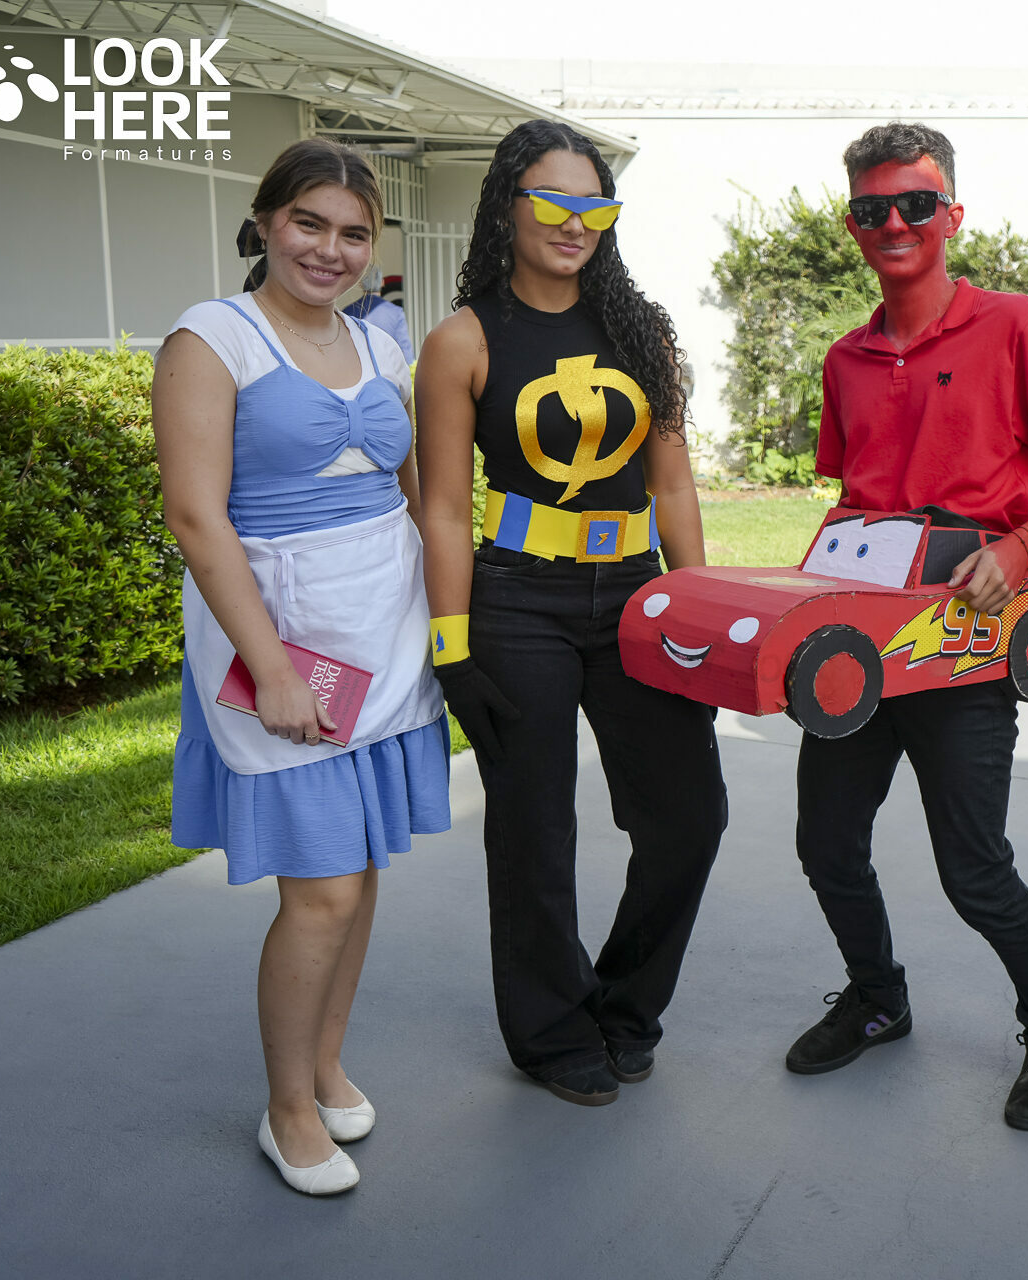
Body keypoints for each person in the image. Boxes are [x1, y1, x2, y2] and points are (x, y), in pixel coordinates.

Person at [785, 122, 1028, 1131]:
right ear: (853, 224)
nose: (895, 222)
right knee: (825, 841)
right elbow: (855, 494)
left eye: (916, 204)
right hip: (865, 641)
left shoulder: (1012, 325)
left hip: (967, 641)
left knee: (974, 868)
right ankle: (877, 996)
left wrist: (1021, 546)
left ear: (951, 216)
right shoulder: (845, 357)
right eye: (873, 208)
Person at [153, 139, 452, 1196]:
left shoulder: (379, 340)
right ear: (266, 221)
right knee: (321, 889)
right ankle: (286, 1110)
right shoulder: (210, 338)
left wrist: (443, 622)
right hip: (282, 639)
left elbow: (410, 494)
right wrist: (271, 667)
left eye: (354, 233)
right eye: (309, 223)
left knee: (358, 873)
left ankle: (324, 1065)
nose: (331, 249)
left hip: (383, 635)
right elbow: (196, 518)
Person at [414, 120, 726, 1107]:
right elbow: (444, 507)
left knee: (688, 816)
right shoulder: (463, 340)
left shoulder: (642, 331)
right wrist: (451, 647)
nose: (574, 223)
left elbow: (671, 484)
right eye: (551, 201)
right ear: (506, 205)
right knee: (535, 829)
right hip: (517, 601)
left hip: (636, 595)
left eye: (595, 206)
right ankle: (550, 1032)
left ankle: (626, 1006)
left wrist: (698, 611)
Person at [343, 263, 415, 364]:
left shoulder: (347, 312)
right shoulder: (396, 312)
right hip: (388, 369)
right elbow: (406, 354)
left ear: (360, 284)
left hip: (357, 369)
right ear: (382, 282)